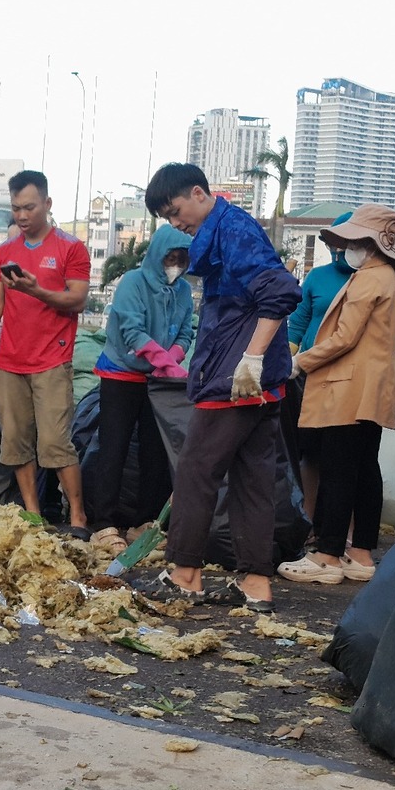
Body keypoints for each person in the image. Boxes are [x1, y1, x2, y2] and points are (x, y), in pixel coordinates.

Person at [141, 163, 300, 614]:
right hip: (255, 382)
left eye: (175, 211)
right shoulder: (222, 233)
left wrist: (252, 358)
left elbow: (281, 292)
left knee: (197, 470)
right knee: (253, 480)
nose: (175, 223)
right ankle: (255, 584)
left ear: (198, 193)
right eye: (167, 219)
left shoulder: (234, 230)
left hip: (235, 379)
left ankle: (185, 575)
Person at [282, 205, 395, 584]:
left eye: (353, 241)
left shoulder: (369, 279)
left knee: (338, 472)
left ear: (371, 244)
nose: (346, 248)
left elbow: (343, 338)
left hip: (349, 388)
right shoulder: (391, 277)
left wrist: (300, 362)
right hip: (372, 388)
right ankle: (361, 554)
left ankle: (327, 557)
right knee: (365, 469)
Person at [0, 170, 91, 527]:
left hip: (52, 361)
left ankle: (77, 516)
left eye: (29, 207)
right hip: (10, 363)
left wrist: (36, 290)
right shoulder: (4, 252)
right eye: (16, 208)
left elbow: (78, 300)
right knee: (16, 442)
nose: (21, 215)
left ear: (47, 204)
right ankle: (33, 514)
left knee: (54, 443)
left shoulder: (70, 248)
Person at [89, 224, 193, 536]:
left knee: (155, 451)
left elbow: (186, 331)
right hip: (122, 372)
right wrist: (164, 361)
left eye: (182, 260)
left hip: (158, 381)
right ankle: (103, 522)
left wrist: (172, 358)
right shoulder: (133, 282)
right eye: (171, 258)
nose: (176, 265)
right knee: (114, 447)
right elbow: (131, 331)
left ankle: (146, 522)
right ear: (158, 255)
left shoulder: (183, 291)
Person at [281, 221, 359, 499]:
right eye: (332, 244)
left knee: (341, 454)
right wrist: (287, 358)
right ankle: (308, 514)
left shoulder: (367, 280)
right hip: (310, 372)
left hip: (347, 377)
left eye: (343, 244)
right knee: (309, 450)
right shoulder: (317, 277)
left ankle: (339, 517)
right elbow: (298, 322)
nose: (337, 250)